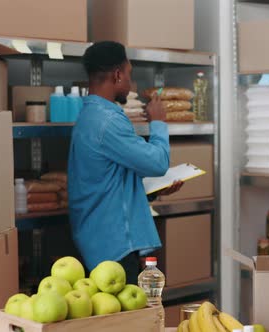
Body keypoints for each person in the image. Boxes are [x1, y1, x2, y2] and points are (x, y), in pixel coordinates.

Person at [68, 41, 183, 283]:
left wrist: (156, 190)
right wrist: (159, 123)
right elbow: (158, 162)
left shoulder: (90, 115)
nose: (130, 83)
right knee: (125, 319)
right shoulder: (108, 121)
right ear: (118, 75)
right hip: (114, 248)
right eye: (129, 74)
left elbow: (110, 180)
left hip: (100, 241)